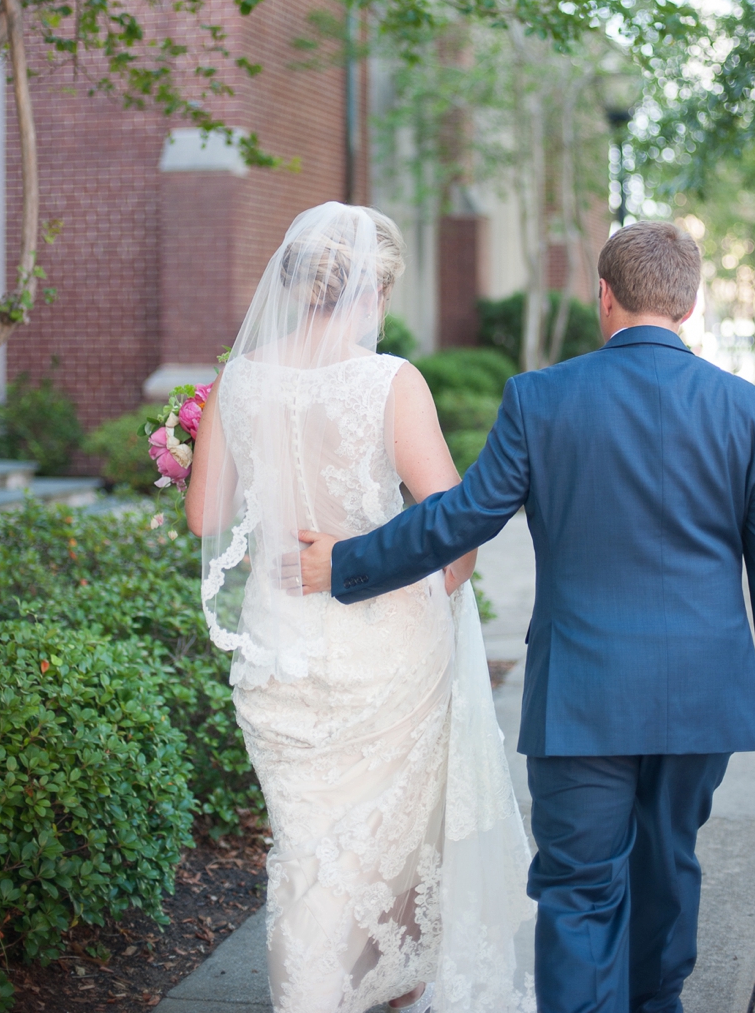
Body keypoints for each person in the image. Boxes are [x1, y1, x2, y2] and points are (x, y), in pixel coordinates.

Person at [299, 220, 755, 1013]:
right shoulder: (749, 412)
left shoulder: (540, 398)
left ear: (603, 297)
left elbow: (463, 517)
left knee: (580, 890)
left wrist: (346, 561)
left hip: (583, 694)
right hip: (702, 693)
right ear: (689, 304)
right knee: (669, 863)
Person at [186, 202, 535, 1013]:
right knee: (396, 836)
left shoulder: (239, 379)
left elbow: (206, 519)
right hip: (386, 640)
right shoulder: (388, 382)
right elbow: (455, 527)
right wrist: (437, 603)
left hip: (279, 643)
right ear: (373, 289)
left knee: (308, 846)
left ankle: (324, 989)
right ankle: (385, 985)